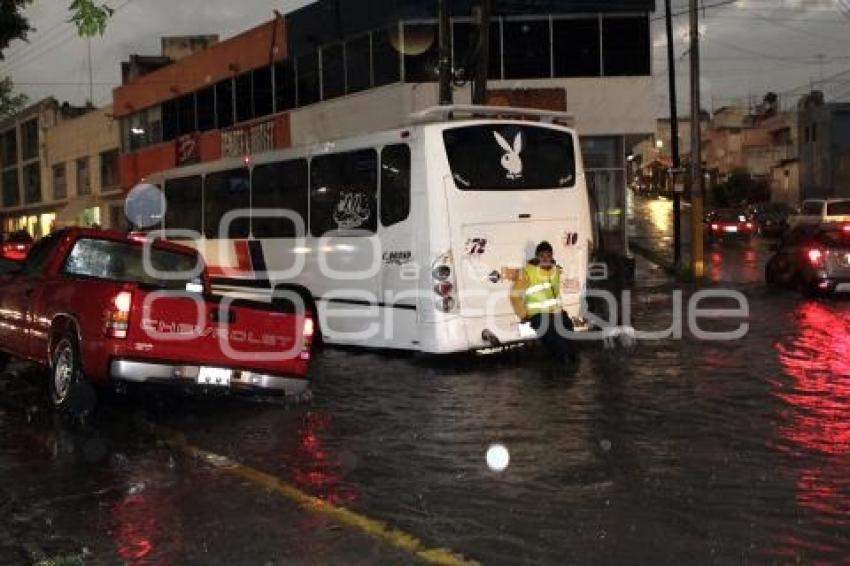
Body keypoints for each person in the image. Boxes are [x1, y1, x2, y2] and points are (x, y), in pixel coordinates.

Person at [511, 241, 577, 364]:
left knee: (571, 343)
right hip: (539, 316)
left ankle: (565, 372)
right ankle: (560, 374)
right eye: (542, 256)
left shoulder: (555, 271)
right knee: (559, 346)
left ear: (552, 256)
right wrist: (523, 315)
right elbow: (515, 295)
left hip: (557, 314)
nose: (545, 259)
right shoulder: (527, 272)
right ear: (537, 257)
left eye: (548, 256)